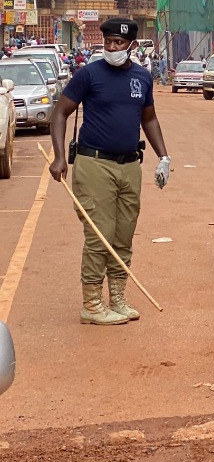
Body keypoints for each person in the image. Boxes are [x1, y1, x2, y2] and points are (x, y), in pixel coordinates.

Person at [48, 17, 171, 326]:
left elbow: (150, 119)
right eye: (108, 43)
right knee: (99, 236)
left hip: (130, 166)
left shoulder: (142, 78)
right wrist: (60, 157)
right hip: (94, 165)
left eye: (119, 43)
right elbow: (60, 113)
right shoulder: (89, 74)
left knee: (123, 236)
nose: (112, 48)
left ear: (131, 46)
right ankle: (92, 303)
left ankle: (117, 297)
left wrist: (164, 157)